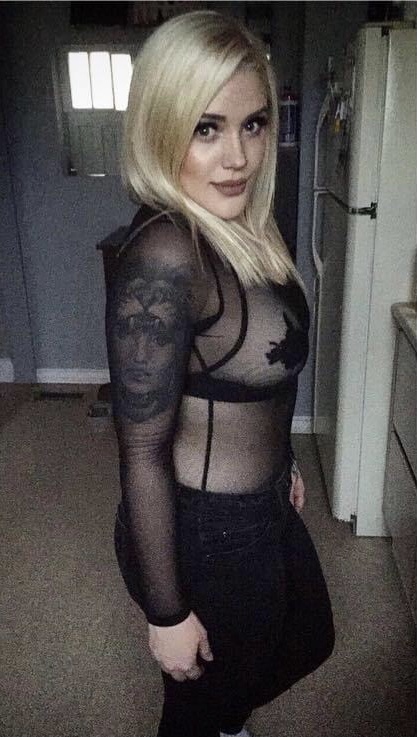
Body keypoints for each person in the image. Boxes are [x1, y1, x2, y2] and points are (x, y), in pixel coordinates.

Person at [106, 10, 335, 737]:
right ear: (162, 126)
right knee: (199, 702)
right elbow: (142, 447)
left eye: (253, 124)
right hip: (207, 527)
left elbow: (256, 380)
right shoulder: (168, 254)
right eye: (207, 128)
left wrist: (283, 457)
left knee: (309, 638)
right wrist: (166, 613)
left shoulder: (240, 226)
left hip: (261, 499)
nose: (238, 156)